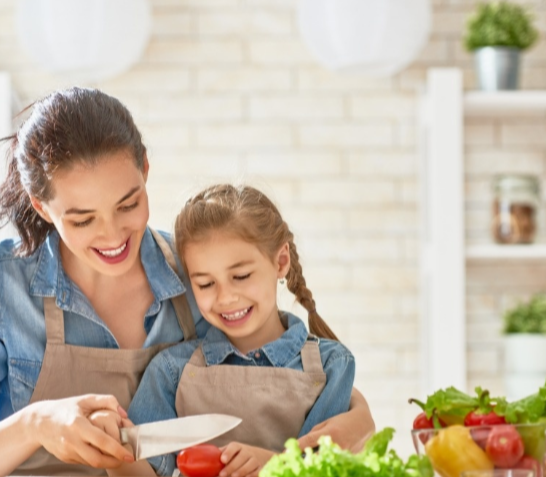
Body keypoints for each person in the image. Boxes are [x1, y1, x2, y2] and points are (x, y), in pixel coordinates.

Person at [0, 87, 376, 477]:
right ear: (41, 206)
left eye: (128, 204)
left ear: (145, 169)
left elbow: (272, 367)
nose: (113, 235)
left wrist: (357, 414)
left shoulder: (197, 275)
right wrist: (34, 424)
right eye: (83, 219)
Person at [94, 184, 357, 477]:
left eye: (241, 276)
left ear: (281, 262)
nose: (226, 297)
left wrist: (273, 464)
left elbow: (324, 470)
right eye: (206, 284)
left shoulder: (332, 365)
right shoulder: (171, 370)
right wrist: (113, 453)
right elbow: (147, 471)